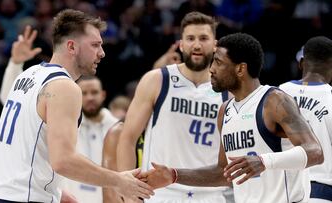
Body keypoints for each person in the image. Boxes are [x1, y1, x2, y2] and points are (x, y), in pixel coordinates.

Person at [0, 9, 153, 203]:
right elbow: (63, 161)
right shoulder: (64, 87)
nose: (102, 53)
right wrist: (118, 180)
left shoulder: (28, 74)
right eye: (95, 45)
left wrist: (55, 192)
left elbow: (27, 146)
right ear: (71, 47)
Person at [141, 33, 324, 203]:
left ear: (240, 69)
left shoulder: (274, 100)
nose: (211, 69)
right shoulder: (225, 111)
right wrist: (174, 175)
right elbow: (223, 173)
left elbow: (315, 152)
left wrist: (264, 161)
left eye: (218, 62)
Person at [117, 11, 230, 203]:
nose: (196, 44)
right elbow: (128, 138)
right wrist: (128, 191)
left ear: (215, 44)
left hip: (210, 195)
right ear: (181, 43)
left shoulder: (228, 91)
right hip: (161, 193)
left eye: (203, 38)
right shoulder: (157, 80)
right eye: (190, 38)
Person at [279, 36, 332, 203]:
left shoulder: (277, 93)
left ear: (301, 63)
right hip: (320, 188)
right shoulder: (330, 97)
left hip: (282, 187)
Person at [60, 75, 118, 203]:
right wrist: (15, 64)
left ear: (103, 95)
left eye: (94, 92)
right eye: (84, 93)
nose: (90, 97)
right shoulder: (66, 125)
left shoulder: (117, 128)